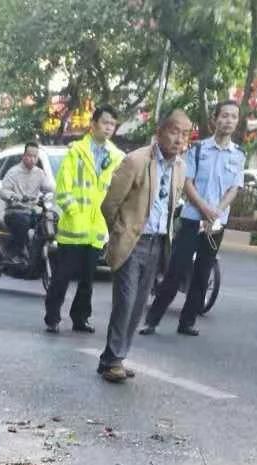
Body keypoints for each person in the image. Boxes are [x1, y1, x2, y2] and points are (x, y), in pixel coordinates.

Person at [97, 108, 193, 383]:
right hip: (132, 241)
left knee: (138, 305)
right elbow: (110, 204)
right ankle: (113, 359)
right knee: (125, 302)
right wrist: (120, 232)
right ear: (160, 131)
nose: (179, 139)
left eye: (185, 134)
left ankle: (113, 358)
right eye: (174, 131)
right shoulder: (135, 161)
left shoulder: (180, 167)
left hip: (158, 242)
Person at [140, 99, 244, 337]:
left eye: (233, 117)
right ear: (214, 119)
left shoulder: (238, 155)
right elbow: (187, 183)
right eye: (224, 116)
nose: (228, 121)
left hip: (216, 221)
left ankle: (187, 322)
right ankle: (152, 320)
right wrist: (205, 209)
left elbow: (234, 189)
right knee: (176, 269)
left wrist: (216, 211)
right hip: (192, 217)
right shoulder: (198, 149)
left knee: (203, 271)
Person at [44, 107, 122, 334]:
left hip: (97, 228)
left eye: (112, 124)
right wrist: (73, 211)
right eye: (105, 122)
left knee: (88, 280)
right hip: (74, 226)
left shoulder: (116, 157)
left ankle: (80, 318)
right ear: (94, 124)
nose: (109, 127)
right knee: (62, 276)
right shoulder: (76, 151)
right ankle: (52, 316)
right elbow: (63, 185)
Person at [0, 141, 54, 259]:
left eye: (35, 156)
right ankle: (16, 252)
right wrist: (14, 196)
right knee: (23, 221)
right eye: (29, 156)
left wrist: (54, 193)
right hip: (14, 212)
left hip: (31, 211)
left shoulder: (39, 173)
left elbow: (50, 188)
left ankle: (38, 252)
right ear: (24, 156)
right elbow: (3, 191)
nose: (32, 159)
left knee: (50, 219)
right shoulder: (13, 172)